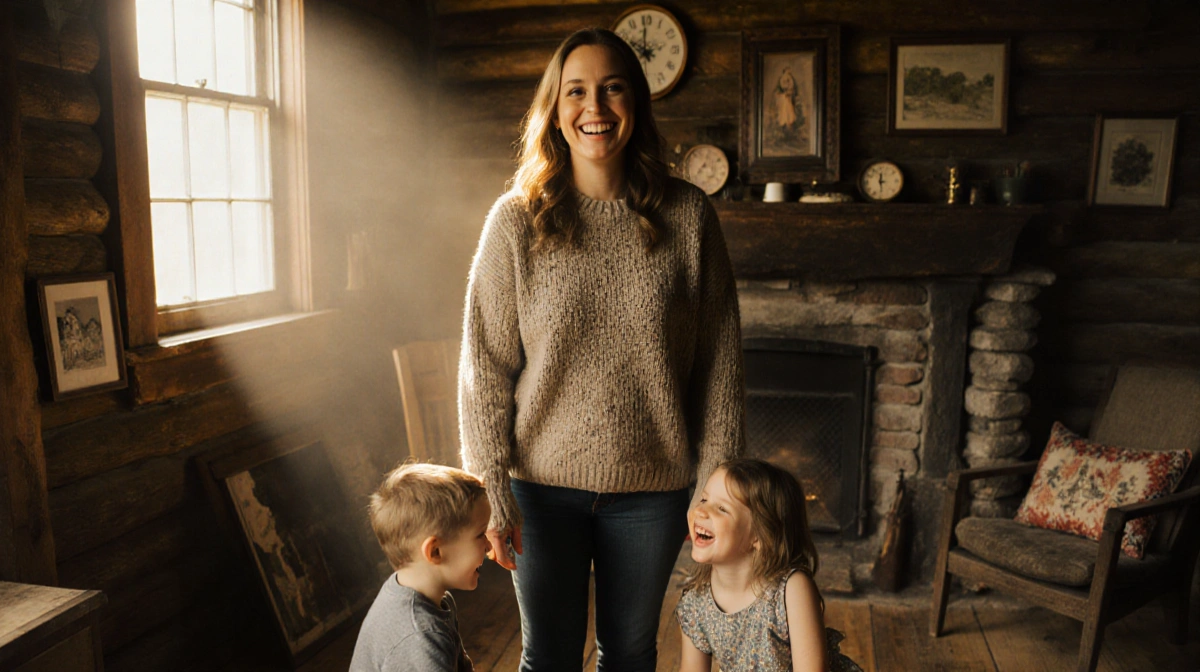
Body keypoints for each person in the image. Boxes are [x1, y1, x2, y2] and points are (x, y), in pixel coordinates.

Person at [457, 26, 745, 672]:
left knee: (630, 654)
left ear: (636, 104)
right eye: (577, 92)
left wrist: (717, 492)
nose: (595, 108)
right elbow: (484, 370)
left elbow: (720, 368)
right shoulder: (516, 221)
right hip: (539, 491)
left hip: (654, 492)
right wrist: (493, 489)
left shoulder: (689, 217)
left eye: (613, 89)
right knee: (550, 658)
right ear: (555, 111)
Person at [676, 459, 862, 672]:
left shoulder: (791, 590)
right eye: (703, 499)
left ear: (759, 536)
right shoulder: (695, 601)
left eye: (721, 508)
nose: (700, 511)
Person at [349, 463, 492, 672]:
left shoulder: (433, 599)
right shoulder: (419, 636)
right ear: (435, 552)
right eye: (480, 535)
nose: (489, 545)